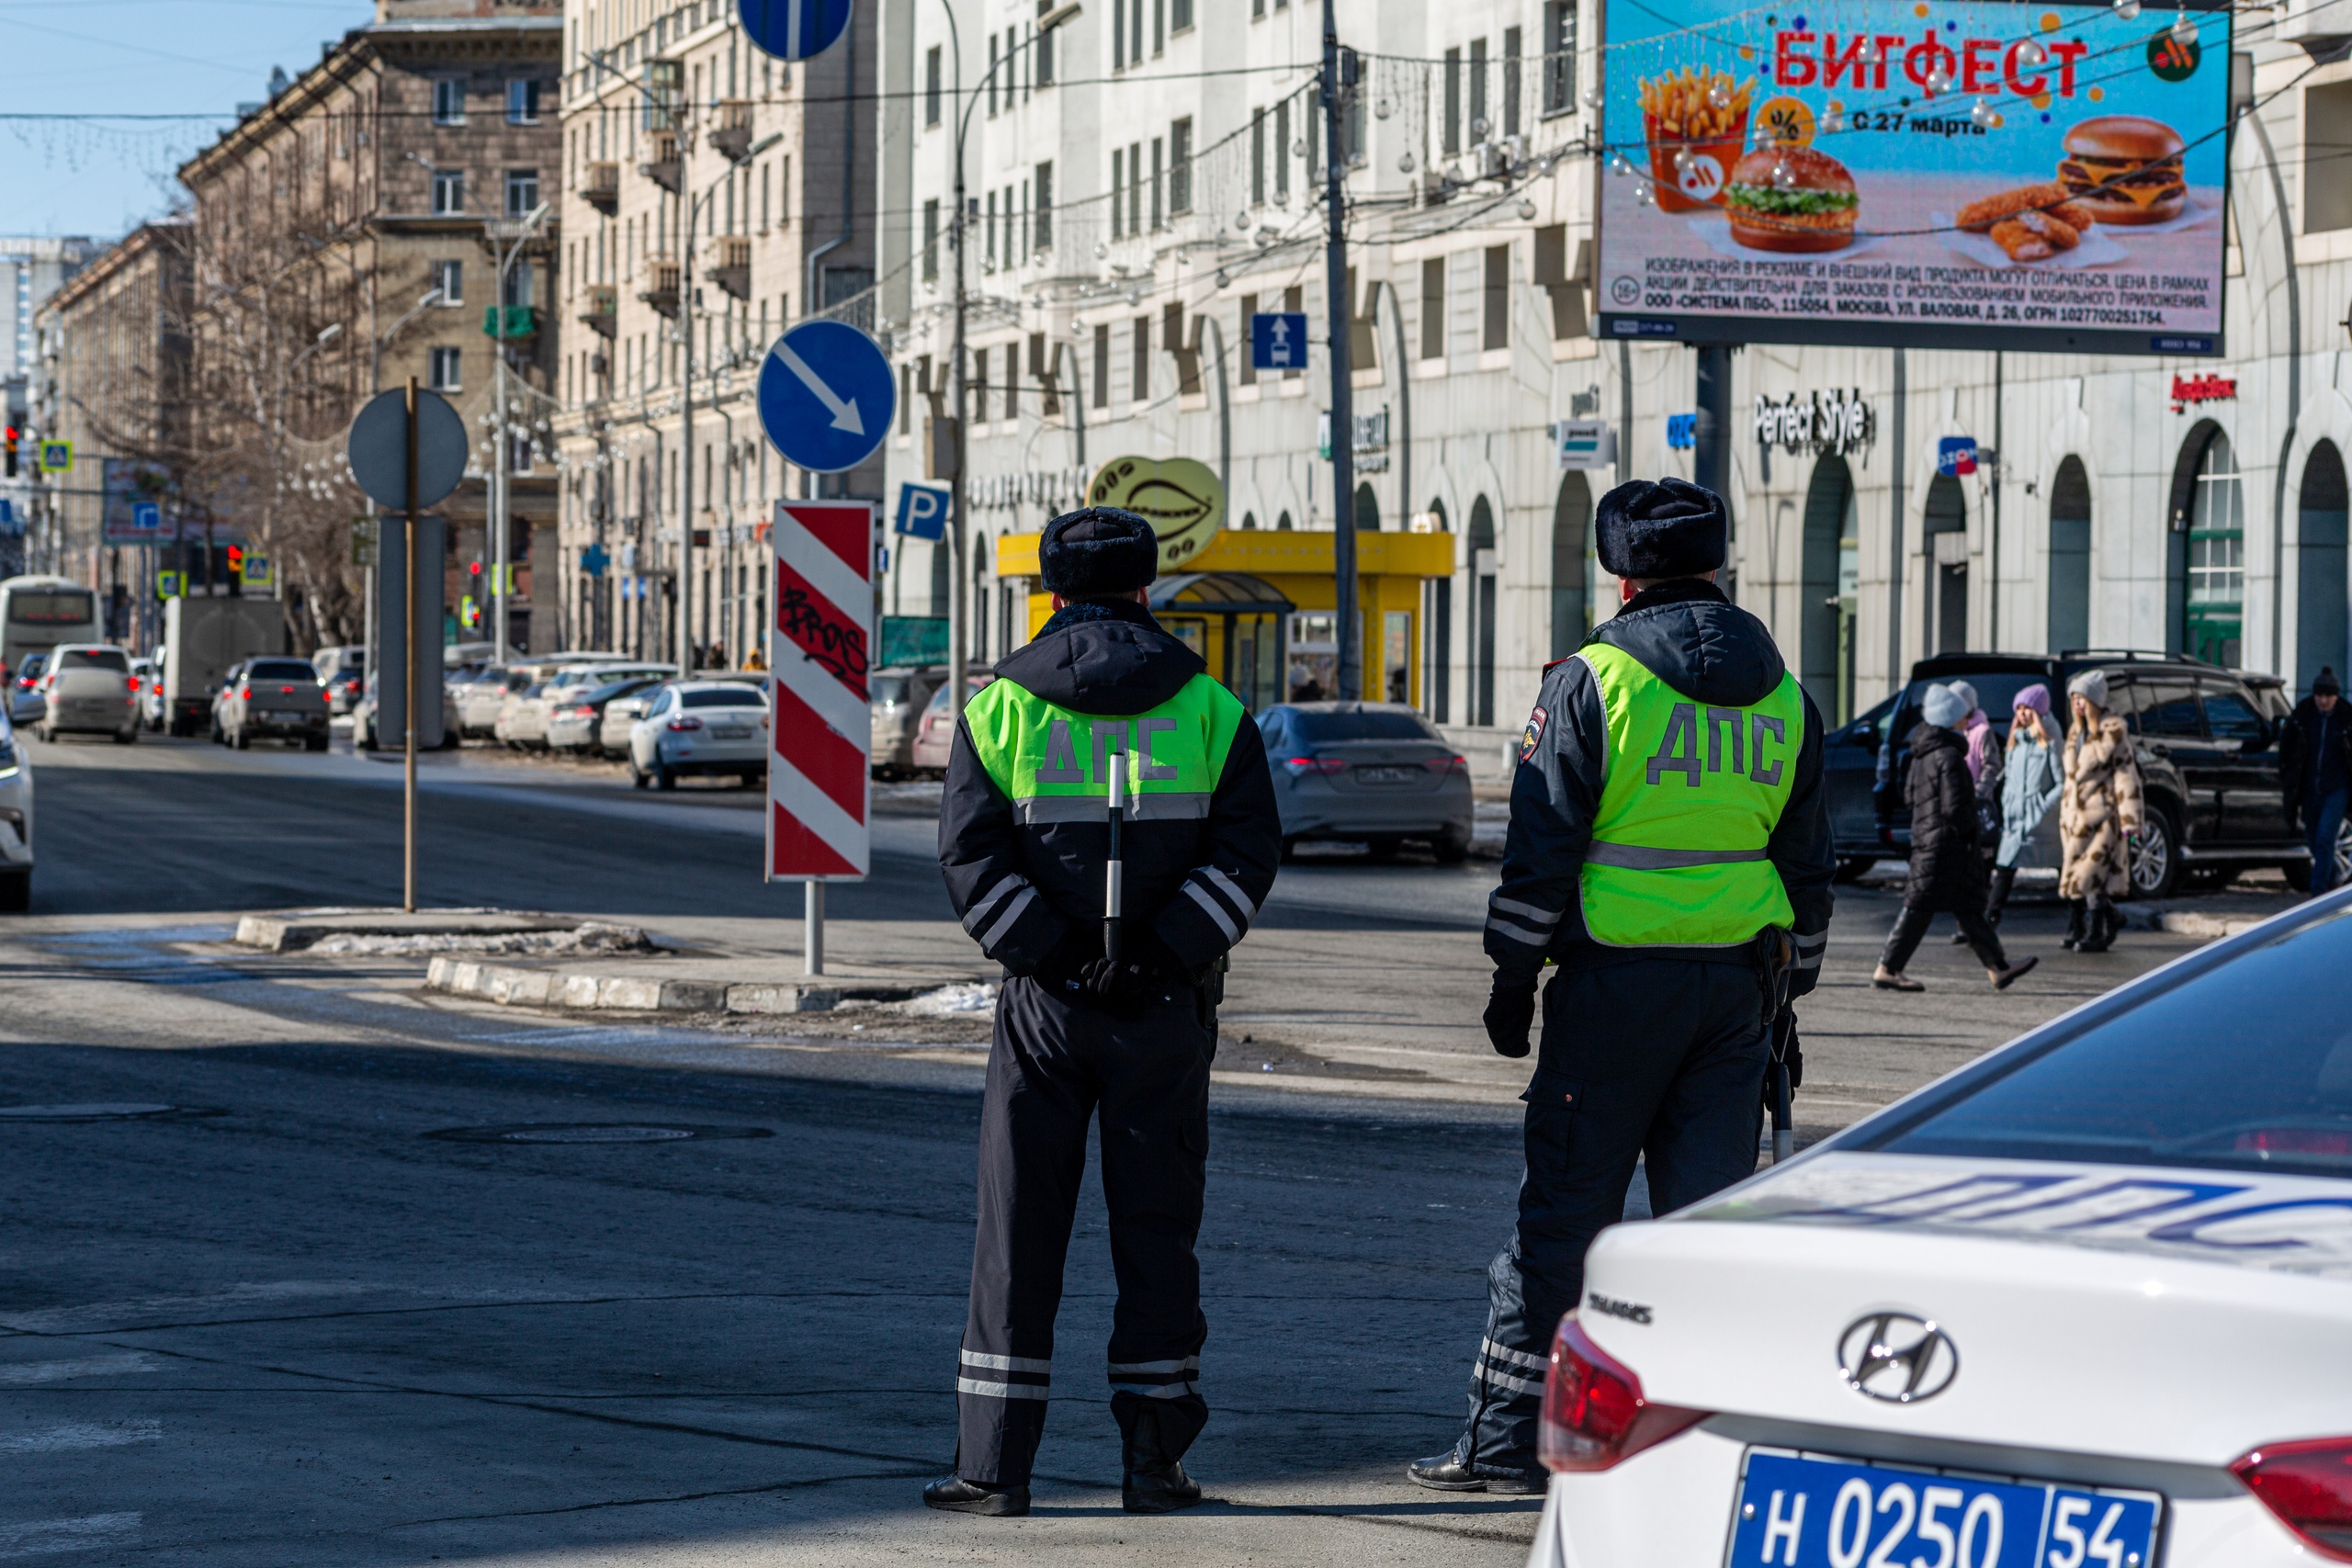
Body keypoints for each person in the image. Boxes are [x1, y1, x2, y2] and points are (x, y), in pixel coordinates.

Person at [1408, 477, 1836, 1495]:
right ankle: (1697, 1447)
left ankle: (1516, 1441)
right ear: (1715, 564)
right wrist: (1794, 990)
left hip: (1610, 993)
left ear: (1617, 571)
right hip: (1738, 998)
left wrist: (1511, 981)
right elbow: (1808, 860)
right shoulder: (1783, 692)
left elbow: (1540, 852)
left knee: (1564, 1219)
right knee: (1703, 1226)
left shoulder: (1592, 681)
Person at [928, 506, 1281, 1518]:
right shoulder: (1211, 705)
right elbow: (1246, 854)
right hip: (1163, 1009)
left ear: (1049, 590)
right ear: (1146, 587)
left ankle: (993, 1471)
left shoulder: (1000, 707)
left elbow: (969, 858)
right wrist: (1162, 955)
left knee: (1017, 1233)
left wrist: (1057, 956)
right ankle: (1153, 1465)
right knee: (1157, 1234)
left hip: (1045, 1008)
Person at [1872, 684, 2039, 991]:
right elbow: (1955, 808)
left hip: (1929, 839)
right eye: (1963, 715)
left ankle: (1998, 967)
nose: (1967, 720)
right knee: (1919, 906)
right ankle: (1887, 967)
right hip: (1947, 845)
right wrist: (1970, 830)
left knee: (1968, 906)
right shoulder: (1949, 756)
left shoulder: (1922, 753)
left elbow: (1910, 796)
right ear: (1950, 718)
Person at [2059, 669, 2143, 953]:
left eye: (2083, 698)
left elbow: (2126, 775)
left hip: (2102, 815)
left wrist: (2131, 818)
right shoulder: (2074, 732)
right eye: (2074, 699)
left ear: (2095, 700)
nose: (2078, 704)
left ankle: (2096, 931)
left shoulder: (2112, 732)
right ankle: (2103, 920)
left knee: (2090, 875)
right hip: (2074, 816)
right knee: (2076, 875)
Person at [1985, 683, 2063, 927]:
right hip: (2015, 821)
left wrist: (2042, 808)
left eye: (2027, 708)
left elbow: (2062, 782)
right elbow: (2010, 781)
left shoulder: (2050, 740)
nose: (2021, 714)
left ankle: (2085, 921)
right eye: (2018, 708)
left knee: (2064, 870)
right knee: (2004, 870)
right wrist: (2006, 803)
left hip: (2042, 821)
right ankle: (1988, 922)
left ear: (2039, 711)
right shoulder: (2015, 743)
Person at [2281, 667, 2352, 896]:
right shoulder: (2303, 715)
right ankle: (2332, 880)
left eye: (2328, 696)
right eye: (2319, 696)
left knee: (2325, 838)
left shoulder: (2346, 719)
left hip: (2336, 788)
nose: (2323, 701)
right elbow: (2288, 747)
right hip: (2310, 788)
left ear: (2336, 696)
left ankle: (2318, 892)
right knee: (2313, 840)